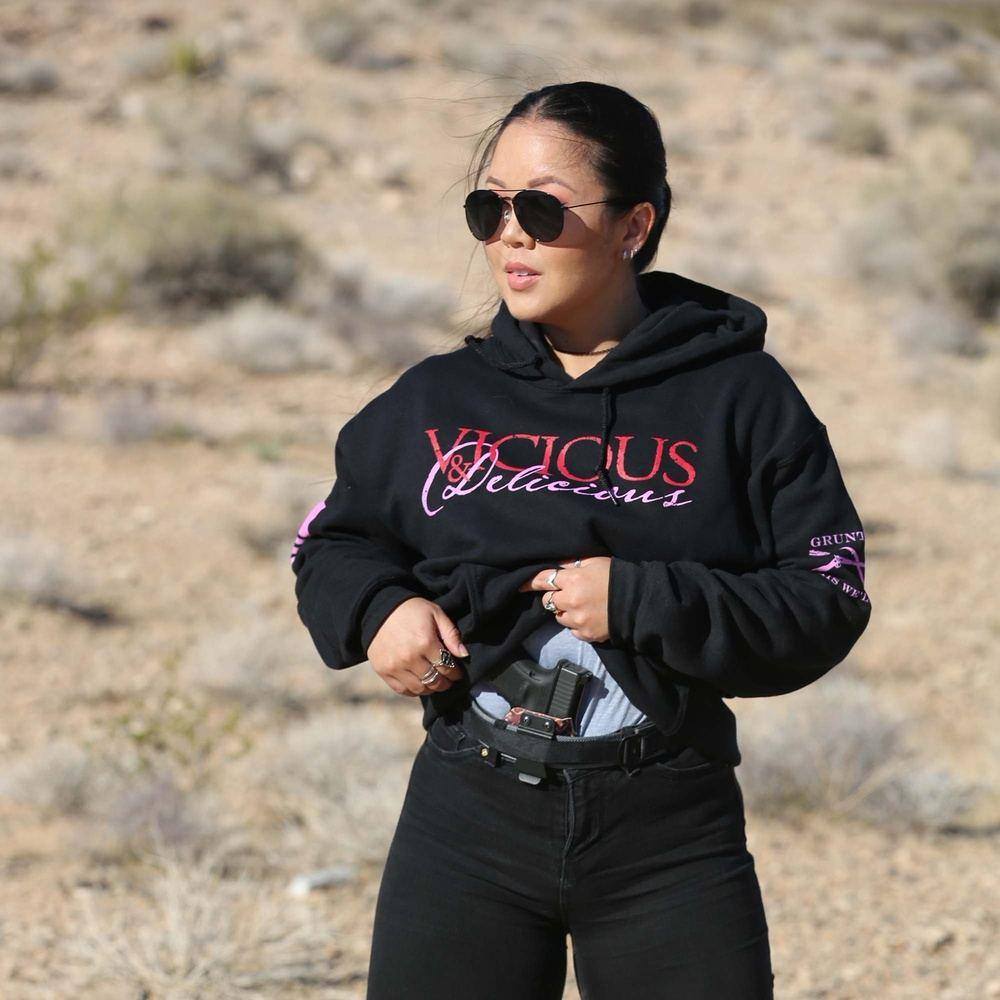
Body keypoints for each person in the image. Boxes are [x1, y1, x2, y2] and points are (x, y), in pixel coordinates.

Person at [290, 81, 872, 1000]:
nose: (509, 236)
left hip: (668, 829)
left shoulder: (740, 399)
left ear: (634, 226)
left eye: (541, 209)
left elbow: (828, 590)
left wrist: (643, 600)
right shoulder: (436, 399)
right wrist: (378, 610)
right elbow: (329, 541)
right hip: (466, 817)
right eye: (489, 208)